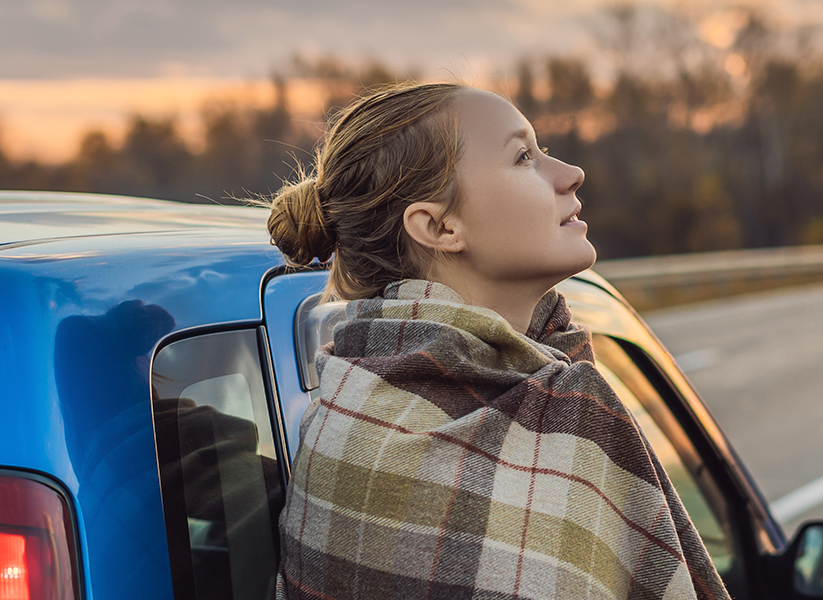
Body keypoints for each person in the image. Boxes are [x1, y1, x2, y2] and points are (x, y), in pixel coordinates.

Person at [265, 81, 730, 600]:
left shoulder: (341, 411)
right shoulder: (572, 416)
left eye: (544, 151)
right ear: (440, 227)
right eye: (524, 157)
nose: (571, 174)